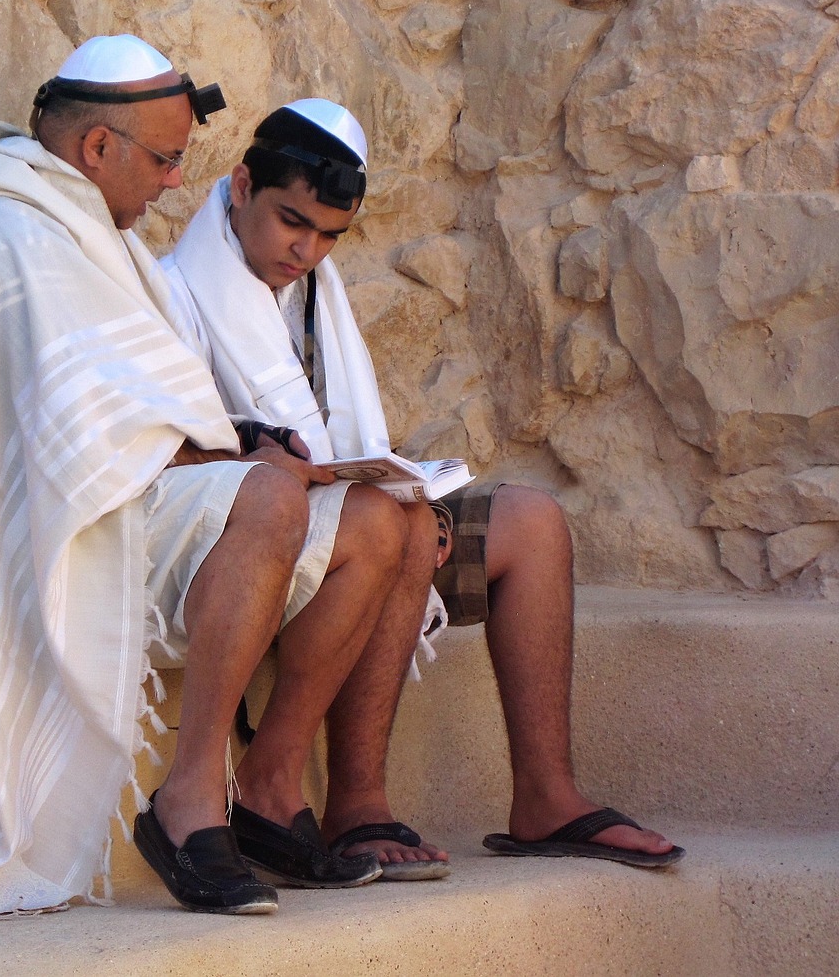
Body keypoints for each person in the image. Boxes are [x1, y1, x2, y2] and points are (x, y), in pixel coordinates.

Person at [0, 38, 422, 919]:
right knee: (273, 494)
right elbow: (82, 448)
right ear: (97, 149)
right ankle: (188, 799)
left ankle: (270, 787)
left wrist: (234, 447)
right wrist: (240, 456)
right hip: (54, 535)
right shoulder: (8, 234)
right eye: (164, 160)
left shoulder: (62, 222)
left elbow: (111, 416)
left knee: (382, 523)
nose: (171, 185)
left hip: (103, 497)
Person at [164, 98, 684, 871]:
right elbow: (176, 457)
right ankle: (356, 805)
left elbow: (347, 441)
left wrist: (408, 489)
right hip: (260, 543)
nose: (306, 249)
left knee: (532, 524)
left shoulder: (313, 294)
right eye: (291, 221)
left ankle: (547, 796)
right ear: (240, 185)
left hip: (350, 515)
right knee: (395, 525)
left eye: (330, 235)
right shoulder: (175, 292)